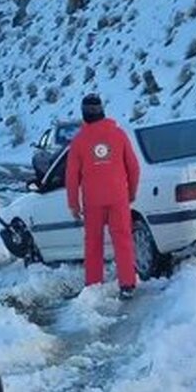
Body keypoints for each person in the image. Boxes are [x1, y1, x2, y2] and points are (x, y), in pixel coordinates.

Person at [66, 94, 141, 299]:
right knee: (123, 240)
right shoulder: (119, 134)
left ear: (84, 115)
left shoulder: (79, 141)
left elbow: (71, 176)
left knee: (93, 242)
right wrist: (131, 192)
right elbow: (133, 167)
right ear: (103, 111)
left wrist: (73, 203)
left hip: (93, 200)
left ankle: (93, 285)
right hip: (118, 196)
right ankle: (127, 283)